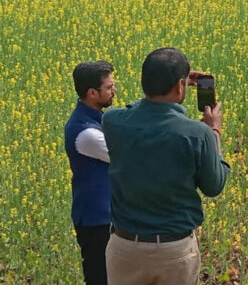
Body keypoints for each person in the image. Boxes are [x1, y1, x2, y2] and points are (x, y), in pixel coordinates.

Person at [102, 47, 230, 285]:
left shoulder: (112, 122)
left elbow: (136, 111)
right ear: (181, 85)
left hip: (125, 248)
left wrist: (175, 82)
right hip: (174, 251)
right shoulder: (197, 133)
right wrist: (214, 131)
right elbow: (214, 186)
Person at [64, 60, 117, 285]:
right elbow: (128, 156)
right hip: (96, 222)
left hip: (104, 216)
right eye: (109, 87)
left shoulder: (95, 119)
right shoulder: (86, 133)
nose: (114, 91)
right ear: (92, 93)